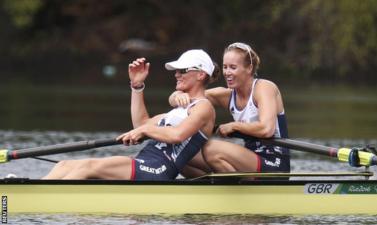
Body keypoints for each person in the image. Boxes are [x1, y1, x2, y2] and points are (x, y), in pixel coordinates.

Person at [43, 49, 219, 180]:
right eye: (176, 71)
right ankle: (34, 194)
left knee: (88, 166)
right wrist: (137, 86)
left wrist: (145, 132)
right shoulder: (177, 110)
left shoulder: (204, 107)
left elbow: (177, 135)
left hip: (160, 168)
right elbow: (141, 124)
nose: (177, 74)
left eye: (183, 70)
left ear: (201, 74)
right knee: (64, 165)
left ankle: (45, 202)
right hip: (145, 162)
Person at [169, 42, 290, 176]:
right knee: (181, 153)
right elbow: (175, 100)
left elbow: (266, 130)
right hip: (249, 160)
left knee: (211, 149)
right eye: (225, 67)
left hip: (274, 162)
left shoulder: (264, 88)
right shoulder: (225, 95)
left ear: (249, 68)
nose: (227, 72)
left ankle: (237, 190)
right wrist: (178, 95)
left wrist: (234, 126)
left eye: (233, 67)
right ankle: (213, 190)